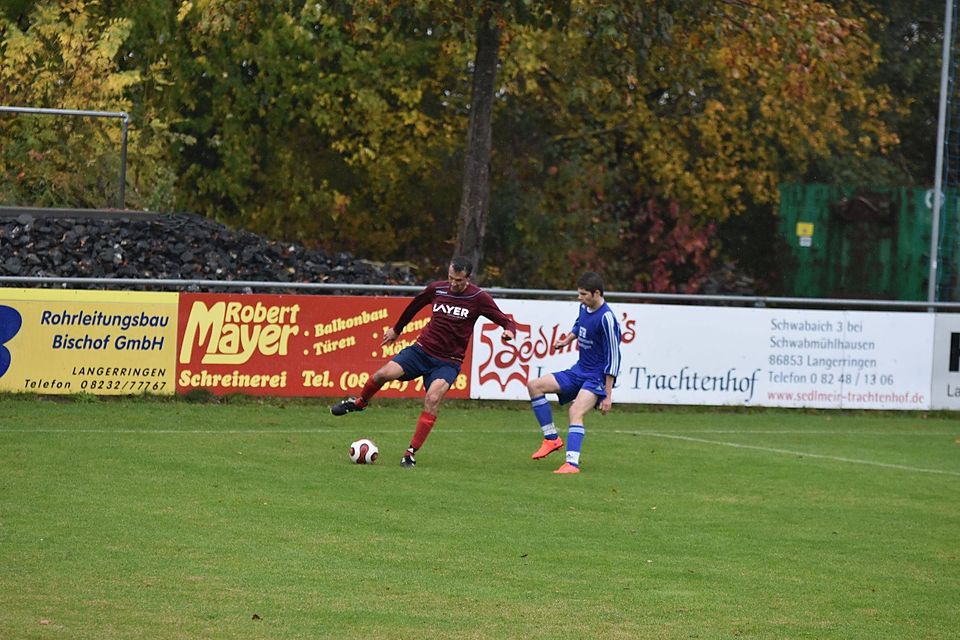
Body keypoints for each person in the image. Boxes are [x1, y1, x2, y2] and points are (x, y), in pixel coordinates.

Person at [330, 256, 516, 468]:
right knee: (382, 375)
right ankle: (360, 402)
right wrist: (397, 330)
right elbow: (414, 306)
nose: (453, 283)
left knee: (433, 398)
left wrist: (508, 332)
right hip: (420, 352)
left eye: (458, 280)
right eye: (450, 278)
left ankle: (410, 453)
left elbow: (506, 321)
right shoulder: (437, 289)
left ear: (468, 278)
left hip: (448, 362)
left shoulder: (478, 297)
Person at [527, 271, 621, 474]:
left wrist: (608, 395)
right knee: (534, 386)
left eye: (583, 294)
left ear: (596, 293)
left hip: (596, 377)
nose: (579, 298)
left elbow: (614, 357)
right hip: (579, 370)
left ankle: (572, 464)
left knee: (575, 411)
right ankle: (551, 439)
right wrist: (566, 341)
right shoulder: (584, 307)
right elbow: (579, 326)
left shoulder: (607, 319)